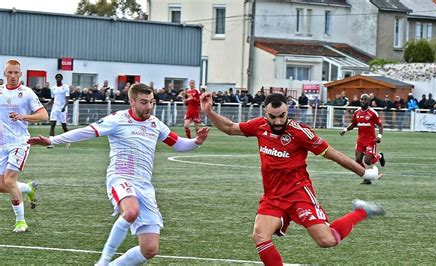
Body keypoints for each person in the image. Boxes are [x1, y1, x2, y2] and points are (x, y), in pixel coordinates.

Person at [28, 83, 210, 265]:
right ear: (132, 101)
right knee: (131, 211)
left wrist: (197, 141)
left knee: (149, 249)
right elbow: (87, 132)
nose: (149, 107)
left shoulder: (155, 124)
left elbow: (178, 144)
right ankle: (102, 261)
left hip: (144, 186)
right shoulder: (118, 119)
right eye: (144, 102)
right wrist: (52, 140)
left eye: (151, 102)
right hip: (121, 177)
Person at [200, 92, 384, 265]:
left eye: (282, 115)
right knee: (260, 235)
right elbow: (230, 128)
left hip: (298, 194)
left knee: (327, 240)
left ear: (287, 111)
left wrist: (364, 172)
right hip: (273, 197)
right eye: (273, 117)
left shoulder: (300, 132)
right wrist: (208, 111)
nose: (278, 121)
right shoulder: (259, 126)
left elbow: (333, 154)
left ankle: (362, 211)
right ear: (265, 113)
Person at [1, 59, 48, 232]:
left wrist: (23, 117)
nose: (13, 76)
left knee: (9, 180)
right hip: (2, 145)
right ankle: (27, 188)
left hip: (20, 143)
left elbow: (43, 115)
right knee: (2, 185)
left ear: (21, 74)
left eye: (16, 73)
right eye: (9, 72)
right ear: (5, 73)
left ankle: (21, 222)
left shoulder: (26, 93)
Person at [340, 93, 385, 185]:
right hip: (360, 140)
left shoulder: (372, 113)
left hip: (370, 141)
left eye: (365, 100)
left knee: (368, 162)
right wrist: (345, 129)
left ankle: (380, 156)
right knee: (358, 160)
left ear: (369, 101)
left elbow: (380, 124)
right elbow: (353, 124)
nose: (363, 101)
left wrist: (379, 136)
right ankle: (366, 178)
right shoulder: (357, 112)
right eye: (361, 99)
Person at [45, 73, 70, 148]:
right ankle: (51, 143)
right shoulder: (53, 88)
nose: (58, 79)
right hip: (55, 108)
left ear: (62, 79)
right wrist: (45, 105)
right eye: (57, 77)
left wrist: (64, 106)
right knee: (52, 124)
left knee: (64, 126)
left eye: (60, 77)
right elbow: (52, 99)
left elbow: (67, 98)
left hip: (62, 109)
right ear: (55, 79)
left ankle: (68, 141)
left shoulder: (65, 87)